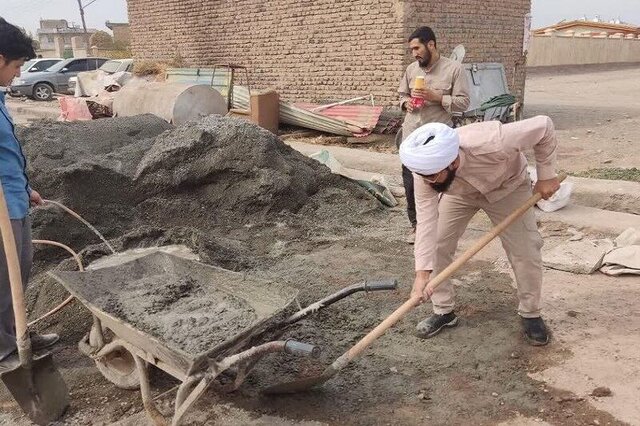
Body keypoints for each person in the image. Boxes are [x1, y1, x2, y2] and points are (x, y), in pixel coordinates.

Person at [399, 115, 560, 346]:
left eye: (433, 177)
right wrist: (421, 275)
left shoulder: (493, 140)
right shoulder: (426, 171)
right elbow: (426, 222)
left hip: (508, 188)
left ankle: (531, 313)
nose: (428, 182)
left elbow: (544, 125)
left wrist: (547, 175)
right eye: (424, 177)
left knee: (526, 250)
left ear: (453, 162)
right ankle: (443, 311)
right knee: (437, 244)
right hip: (461, 194)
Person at [0, 17, 59, 365]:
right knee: (1, 280)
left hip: (15, 200)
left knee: (19, 273)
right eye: (17, 66)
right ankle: (4, 349)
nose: (18, 75)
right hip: (1, 211)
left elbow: (6, 156)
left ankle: (17, 331)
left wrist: (25, 188)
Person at [398, 26, 470, 244]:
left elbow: (464, 103)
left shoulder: (454, 69)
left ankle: (441, 227)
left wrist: (436, 96)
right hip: (411, 134)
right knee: (411, 182)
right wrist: (406, 103)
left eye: (417, 48)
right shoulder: (411, 70)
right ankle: (416, 226)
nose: (414, 54)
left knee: (439, 182)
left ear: (431, 45)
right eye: (411, 50)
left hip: (437, 137)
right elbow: (401, 94)